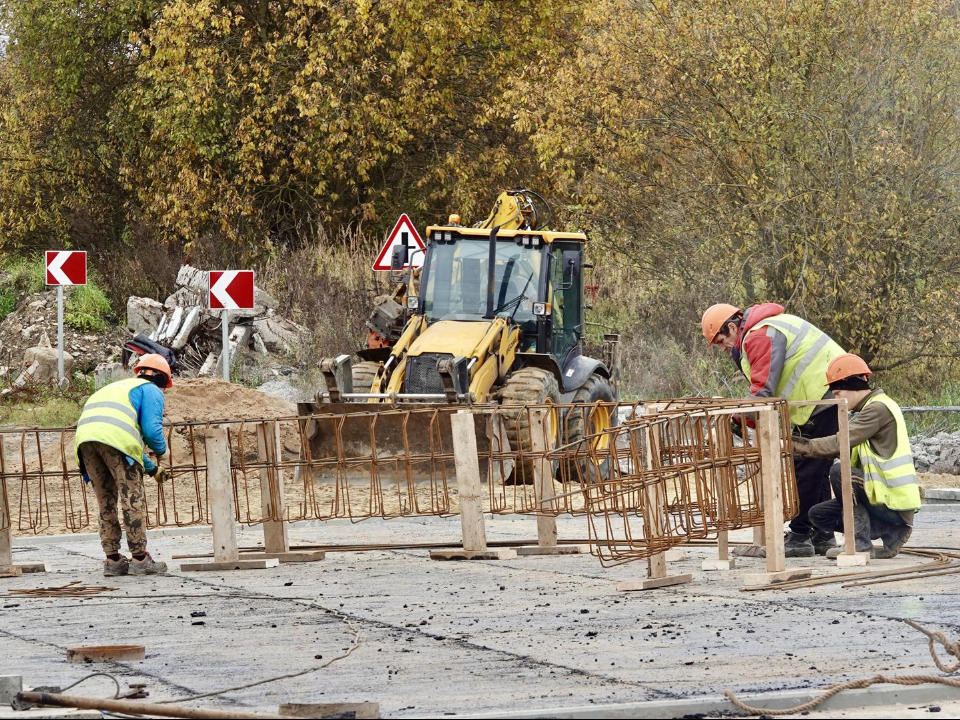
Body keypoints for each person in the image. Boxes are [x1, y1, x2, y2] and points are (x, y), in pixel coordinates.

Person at [701, 302, 846, 557]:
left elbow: (764, 391)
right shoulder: (764, 329)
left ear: (733, 327)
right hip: (824, 395)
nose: (722, 348)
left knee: (805, 467)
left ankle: (800, 536)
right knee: (817, 467)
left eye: (721, 340)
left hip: (823, 395)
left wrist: (737, 418)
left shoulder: (759, 335)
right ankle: (823, 535)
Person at [795, 354, 920, 559]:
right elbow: (839, 447)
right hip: (883, 500)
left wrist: (797, 445)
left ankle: (860, 545)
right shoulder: (870, 408)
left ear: (852, 385)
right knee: (818, 515)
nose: (836, 399)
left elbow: (839, 443)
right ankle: (891, 533)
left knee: (839, 472)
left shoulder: (877, 409)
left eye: (837, 392)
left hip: (893, 504)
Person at [74, 354, 172, 577]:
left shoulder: (117, 388)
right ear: (161, 379)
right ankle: (139, 559)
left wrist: (152, 469)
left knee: (106, 500)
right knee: (131, 499)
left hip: (85, 440)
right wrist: (162, 452)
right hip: (114, 441)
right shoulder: (150, 390)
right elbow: (150, 430)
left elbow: (122, 440)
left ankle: (113, 560)